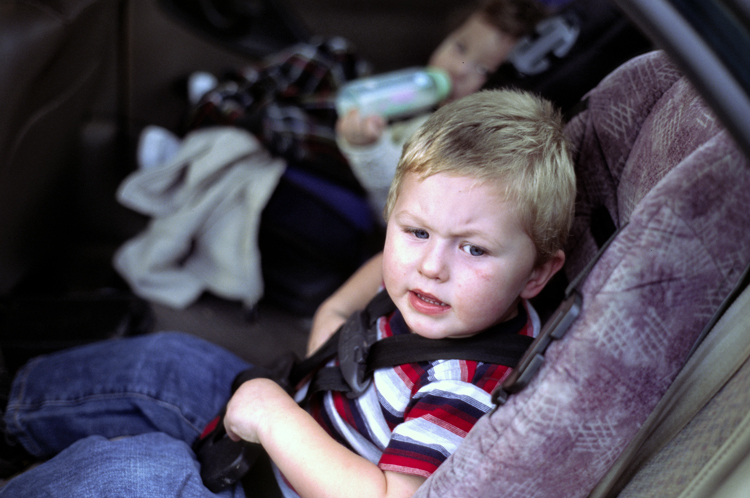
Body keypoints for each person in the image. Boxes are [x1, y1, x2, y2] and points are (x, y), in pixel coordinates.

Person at [0, 88, 575, 498]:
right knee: (167, 361)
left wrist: (275, 419)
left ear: (536, 275)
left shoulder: (463, 388)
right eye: (417, 231)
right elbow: (383, 264)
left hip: (282, 478)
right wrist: (336, 315)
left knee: (137, 474)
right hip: (293, 414)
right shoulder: (440, 295)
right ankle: (14, 409)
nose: (431, 266)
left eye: (473, 249)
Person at [336, 0, 547, 218]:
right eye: (460, 47)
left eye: (483, 70)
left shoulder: (462, 138)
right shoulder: (429, 106)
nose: (458, 69)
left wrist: (368, 148)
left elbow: (404, 184)